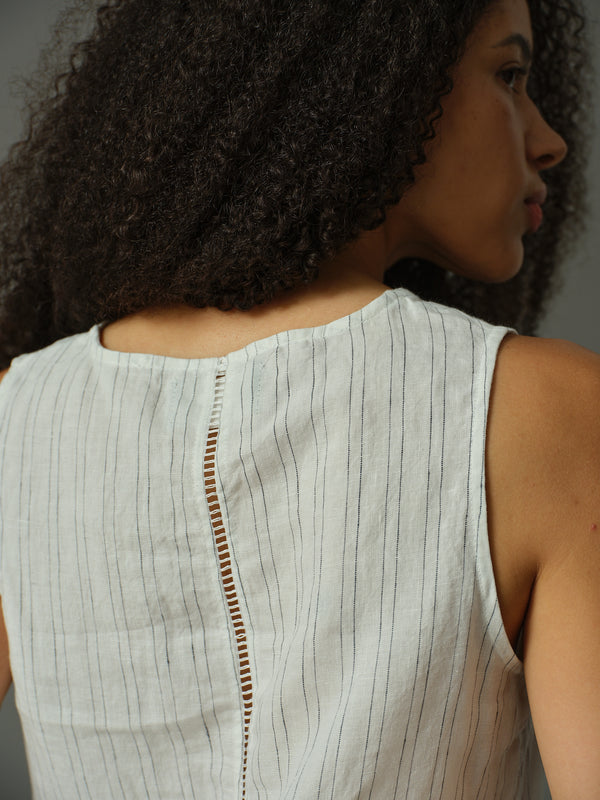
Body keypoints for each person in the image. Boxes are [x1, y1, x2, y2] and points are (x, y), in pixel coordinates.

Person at [0, 0, 597, 796]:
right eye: (510, 74)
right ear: (377, 81)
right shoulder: (542, 410)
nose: (549, 139)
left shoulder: (18, 413)